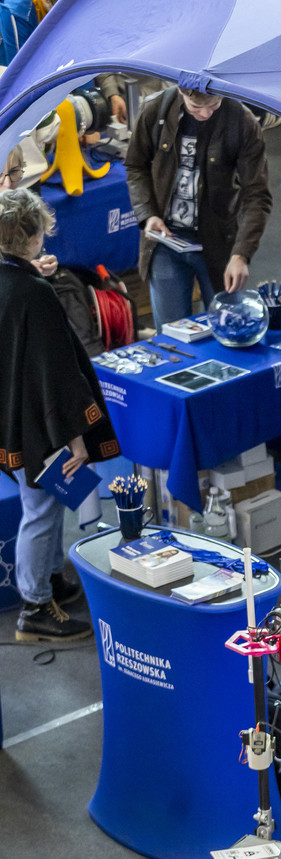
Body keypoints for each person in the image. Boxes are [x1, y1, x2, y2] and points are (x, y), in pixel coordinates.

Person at [0, 188, 120, 641]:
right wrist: (77, 438)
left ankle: (50, 580)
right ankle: (34, 607)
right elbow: (60, 372)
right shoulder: (35, 293)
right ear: (33, 235)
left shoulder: (16, 281)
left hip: (9, 415)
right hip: (39, 422)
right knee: (42, 508)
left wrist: (35, 273)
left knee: (43, 502)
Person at [124, 86, 272, 333]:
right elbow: (135, 166)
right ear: (181, 92)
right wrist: (148, 215)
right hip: (165, 244)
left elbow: (257, 195)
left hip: (218, 243)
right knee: (171, 338)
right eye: (196, 107)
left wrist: (241, 254)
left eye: (213, 105)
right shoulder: (155, 109)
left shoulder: (242, 121)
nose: (205, 114)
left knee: (228, 330)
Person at [1, 144, 58, 275]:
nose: (8, 183)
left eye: (14, 172)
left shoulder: (23, 206)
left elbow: (34, 251)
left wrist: (41, 263)